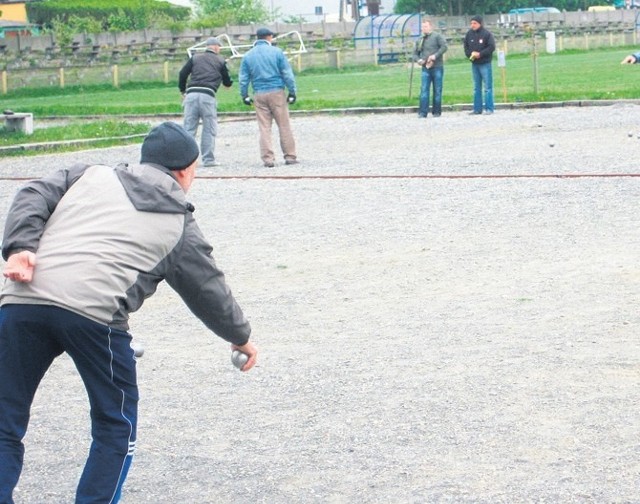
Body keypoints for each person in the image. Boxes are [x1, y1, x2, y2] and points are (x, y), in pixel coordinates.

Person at [0, 122, 257, 504]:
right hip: (96, 319)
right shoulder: (178, 221)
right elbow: (208, 289)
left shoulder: (85, 174)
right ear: (186, 171)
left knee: (5, 416)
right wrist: (240, 335)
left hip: (22, 300)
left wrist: (20, 245)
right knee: (114, 424)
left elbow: (32, 192)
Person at [239, 27, 298, 168]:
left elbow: (243, 79)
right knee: (284, 125)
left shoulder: (247, 56)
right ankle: (290, 156)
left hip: (259, 93)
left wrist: (245, 95)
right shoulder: (277, 52)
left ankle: (268, 159)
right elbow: (287, 74)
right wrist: (292, 91)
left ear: (257, 38)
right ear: (269, 37)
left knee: (264, 127)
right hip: (277, 92)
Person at [179, 37, 233, 167]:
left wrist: (183, 91)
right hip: (207, 96)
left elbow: (182, 73)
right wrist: (227, 84)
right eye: (219, 47)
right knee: (209, 128)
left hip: (191, 95)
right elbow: (226, 80)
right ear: (215, 47)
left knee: (189, 128)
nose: (219, 49)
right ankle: (208, 160)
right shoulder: (220, 60)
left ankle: (187, 161)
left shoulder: (195, 58)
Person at [413, 19, 448, 118]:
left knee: (437, 90)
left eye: (426, 26)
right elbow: (415, 54)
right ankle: (423, 112)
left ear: (430, 27)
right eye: (423, 27)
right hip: (425, 68)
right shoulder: (420, 39)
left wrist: (435, 56)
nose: (424, 28)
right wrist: (419, 60)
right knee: (424, 90)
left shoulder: (437, 36)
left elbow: (444, 47)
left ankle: (436, 112)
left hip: (437, 67)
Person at [463, 15, 496, 115]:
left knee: (487, 87)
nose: (472, 25)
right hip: (475, 64)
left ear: (480, 23)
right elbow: (466, 47)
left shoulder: (487, 34)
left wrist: (480, 54)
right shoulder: (469, 34)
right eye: (471, 23)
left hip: (485, 63)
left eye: (474, 23)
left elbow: (491, 47)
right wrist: (471, 55)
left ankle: (489, 108)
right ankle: (477, 109)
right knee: (476, 87)